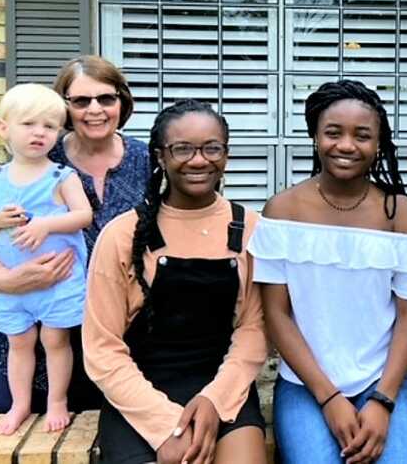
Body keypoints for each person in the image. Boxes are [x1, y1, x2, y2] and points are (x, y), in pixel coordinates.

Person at [0, 56, 150, 415]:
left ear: (122, 103)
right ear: (65, 107)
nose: (95, 110)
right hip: (26, 341)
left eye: (106, 99)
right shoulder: (38, 153)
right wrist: (7, 279)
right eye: (80, 101)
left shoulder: (145, 159)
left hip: (116, 346)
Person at [250, 80, 407, 464]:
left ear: (378, 143)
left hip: (388, 381)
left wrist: (383, 400)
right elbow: (277, 315)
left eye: (362, 135)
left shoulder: (401, 214)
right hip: (306, 383)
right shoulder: (282, 211)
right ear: (315, 136)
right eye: (334, 133)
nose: (347, 145)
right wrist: (328, 397)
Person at [83, 99, 268, 464]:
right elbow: (101, 348)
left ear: (226, 155)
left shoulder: (250, 229)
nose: (198, 160)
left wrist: (214, 402)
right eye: (182, 148)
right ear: (160, 156)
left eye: (211, 148)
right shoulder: (123, 235)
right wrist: (165, 424)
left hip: (222, 391)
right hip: (138, 396)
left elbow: (255, 329)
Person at [0, 84, 93, 434]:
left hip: (60, 283)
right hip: (13, 285)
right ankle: (19, 404)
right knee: (19, 344)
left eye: (50, 126)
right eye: (29, 124)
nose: (40, 132)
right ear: (4, 128)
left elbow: (83, 216)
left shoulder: (61, 176)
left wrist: (46, 224)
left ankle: (57, 401)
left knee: (56, 342)